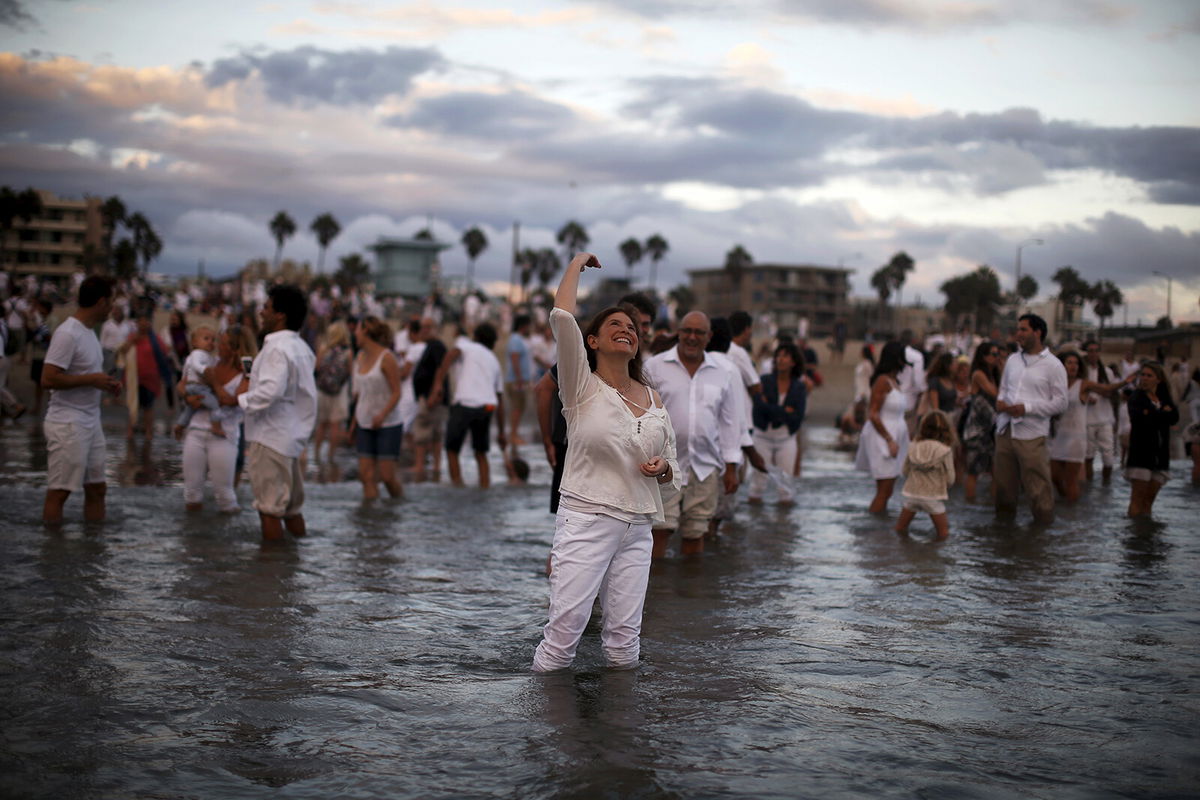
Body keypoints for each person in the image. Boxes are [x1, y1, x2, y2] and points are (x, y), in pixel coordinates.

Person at [531, 252, 678, 673]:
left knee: (624, 647)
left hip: (638, 526)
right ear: (592, 341)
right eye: (614, 324)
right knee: (562, 641)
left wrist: (662, 469)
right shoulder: (581, 386)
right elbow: (562, 316)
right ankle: (543, 733)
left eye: (631, 328)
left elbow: (671, 463)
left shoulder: (652, 399)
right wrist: (576, 263)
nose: (626, 330)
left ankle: (617, 736)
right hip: (587, 517)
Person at [644, 310, 743, 558]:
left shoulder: (723, 372)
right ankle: (658, 591)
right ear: (678, 332)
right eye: (687, 331)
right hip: (663, 466)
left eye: (699, 332)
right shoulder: (654, 366)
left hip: (705, 467)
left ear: (708, 337)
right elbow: (641, 414)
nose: (692, 337)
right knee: (659, 532)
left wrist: (732, 466)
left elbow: (729, 421)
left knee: (696, 533)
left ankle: (691, 591)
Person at [237, 284, 318, 542]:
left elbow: (270, 391)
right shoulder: (302, 347)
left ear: (280, 315)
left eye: (266, 308)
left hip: (271, 436)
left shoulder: (276, 348)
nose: (261, 313)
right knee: (292, 510)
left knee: (269, 510)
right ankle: (295, 561)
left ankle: (271, 574)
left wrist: (238, 399)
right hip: (291, 439)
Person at [40, 276, 122, 525]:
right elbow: (48, 379)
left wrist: (105, 384)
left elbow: (86, 375)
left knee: (98, 489)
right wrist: (91, 380)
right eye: (111, 301)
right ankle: (52, 554)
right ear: (101, 302)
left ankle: (93, 551)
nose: (113, 307)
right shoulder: (68, 333)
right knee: (60, 491)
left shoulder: (88, 332)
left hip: (90, 421)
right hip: (67, 423)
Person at [993, 313, 1068, 524]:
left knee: (1038, 490)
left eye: (1023, 330)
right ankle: (1003, 537)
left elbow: (1061, 403)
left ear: (1038, 332)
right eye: (1018, 329)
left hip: (1032, 434)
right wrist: (1000, 402)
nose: (1018, 334)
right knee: (1004, 490)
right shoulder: (1012, 360)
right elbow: (1004, 388)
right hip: (1005, 430)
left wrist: (1027, 408)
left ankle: (1040, 541)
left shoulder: (1053, 365)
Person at [429, 322, 506, 488]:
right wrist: (501, 432)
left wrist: (438, 384)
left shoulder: (467, 346)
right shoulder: (494, 361)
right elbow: (500, 399)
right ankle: (484, 488)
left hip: (464, 403)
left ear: (476, 337)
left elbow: (451, 354)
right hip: (487, 406)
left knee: (451, 450)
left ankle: (457, 486)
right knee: (481, 453)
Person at [179, 327, 248, 513]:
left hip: (224, 434)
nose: (217, 346)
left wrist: (214, 384)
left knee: (225, 495)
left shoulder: (245, 373)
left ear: (235, 349)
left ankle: (227, 538)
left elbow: (233, 401)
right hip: (196, 430)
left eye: (223, 343)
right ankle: (193, 538)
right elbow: (183, 384)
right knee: (191, 493)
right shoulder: (209, 362)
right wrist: (188, 398)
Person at [351, 316, 406, 499]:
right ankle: (370, 522)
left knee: (387, 476)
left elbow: (397, 392)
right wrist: (353, 423)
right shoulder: (359, 357)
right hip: (364, 422)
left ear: (366, 331)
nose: (355, 334)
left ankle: (399, 506)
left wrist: (382, 415)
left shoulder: (387, 358)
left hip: (388, 424)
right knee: (366, 476)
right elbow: (360, 394)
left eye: (357, 330)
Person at [748, 342, 807, 505]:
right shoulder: (765, 381)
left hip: (786, 437)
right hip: (762, 436)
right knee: (757, 484)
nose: (780, 360)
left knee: (786, 486)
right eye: (778, 356)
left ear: (793, 362)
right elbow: (758, 406)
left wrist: (771, 409)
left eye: (785, 356)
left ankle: (784, 527)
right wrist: (784, 411)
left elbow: (798, 416)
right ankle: (756, 525)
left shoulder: (799, 387)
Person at [855, 341, 911, 513]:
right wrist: (889, 440)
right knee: (884, 491)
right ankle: (874, 532)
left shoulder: (895, 381)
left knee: (888, 491)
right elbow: (873, 413)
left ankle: (879, 529)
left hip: (895, 437)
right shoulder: (882, 381)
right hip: (883, 438)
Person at [1125, 362, 1178, 517]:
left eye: (1149, 376)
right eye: (1143, 375)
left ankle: (1146, 533)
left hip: (1160, 455)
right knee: (1137, 499)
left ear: (1158, 379)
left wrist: (1154, 413)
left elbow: (1174, 417)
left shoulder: (1164, 398)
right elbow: (1140, 418)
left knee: (1149, 501)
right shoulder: (1136, 397)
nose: (1145, 378)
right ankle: (1134, 534)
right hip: (1141, 453)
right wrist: (1161, 413)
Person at [895, 410, 957, 540]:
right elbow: (950, 478)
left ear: (922, 427)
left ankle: (902, 550)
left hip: (912, 494)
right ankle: (933, 557)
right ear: (946, 429)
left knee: (900, 529)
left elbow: (905, 471)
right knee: (943, 534)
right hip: (933, 496)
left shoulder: (913, 446)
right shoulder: (945, 450)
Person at [172, 326, 235, 440]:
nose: (210, 342)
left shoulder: (206, 357)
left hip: (192, 387)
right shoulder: (198, 353)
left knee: (189, 410)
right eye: (206, 339)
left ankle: (180, 426)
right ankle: (216, 426)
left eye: (213, 340)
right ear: (194, 342)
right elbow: (196, 366)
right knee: (214, 405)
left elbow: (186, 371)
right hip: (198, 386)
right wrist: (205, 370)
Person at [118, 311, 173, 440]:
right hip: (133, 378)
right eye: (141, 321)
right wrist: (132, 341)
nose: (144, 324)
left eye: (146, 321)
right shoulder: (132, 337)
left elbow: (165, 353)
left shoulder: (155, 339)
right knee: (132, 405)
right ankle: (130, 431)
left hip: (150, 378)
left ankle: (148, 432)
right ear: (137, 323)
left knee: (148, 406)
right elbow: (122, 352)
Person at [409, 317, 448, 482]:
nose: (423, 331)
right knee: (434, 433)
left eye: (427, 327)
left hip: (431, 398)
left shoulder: (437, 346)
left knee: (423, 431)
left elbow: (441, 369)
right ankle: (435, 467)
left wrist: (435, 393)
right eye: (421, 328)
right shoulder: (431, 346)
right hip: (430, 396)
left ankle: (420, 466)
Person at [962, 342, 1001, 503]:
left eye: (998, 354)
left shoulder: (995, 374)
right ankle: (970, 504)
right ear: (983, 356)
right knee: (974, 471)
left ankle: (991, 503)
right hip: (977, 429)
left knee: (995, 471)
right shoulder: (978, 374)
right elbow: (994, 393)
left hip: (992, 428)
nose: (996, 357)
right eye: (993, 354)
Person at [312, 321, 353, 463]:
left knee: (321, 424)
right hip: (339, 392)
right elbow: (350, 372)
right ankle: (330, 455)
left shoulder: (323, 349)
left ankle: (316, 454)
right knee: (335, 425)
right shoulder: (348, 352)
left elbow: (316, 368)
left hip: (322, 391)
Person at [1081, 340, 1117, 482]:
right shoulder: (1082, 371)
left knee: (1108, 456)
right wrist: (1088, 397)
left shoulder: (1107, 372)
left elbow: (1113, 392)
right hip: (1087, 420)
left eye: (1096, 350)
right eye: (1091, 350)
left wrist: (1105, 392)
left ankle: (1106, 486)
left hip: (1105, 419)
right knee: (1088, 456)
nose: (1094, 353)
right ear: (1087, 353)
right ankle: (1089, 486)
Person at [505, 314, 535, 449]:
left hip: (519, 380)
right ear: (524, 326)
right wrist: (519, 379)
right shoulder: (515, 339)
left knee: (519, 407)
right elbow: (515, 359)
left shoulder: (519, 339)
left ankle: (514, 434)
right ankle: (513, 435)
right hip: (516, 381)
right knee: (517, 407)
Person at [1181, 366, 1200, 486]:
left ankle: (1195, 485)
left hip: (1194, 432)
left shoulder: (1193, 400)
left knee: (1196, 464)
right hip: (1196, 432)